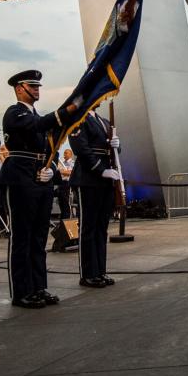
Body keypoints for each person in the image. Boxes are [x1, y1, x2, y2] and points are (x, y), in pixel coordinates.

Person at [0, 70, 78, 309]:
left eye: (38, 86)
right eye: (32, 86)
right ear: (19, 88)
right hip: (20, 176)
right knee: (22, 237)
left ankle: (39, 287)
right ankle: (22, 292)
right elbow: (39, 125)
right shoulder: (15, 113)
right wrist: (65, 113)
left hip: (40, 179)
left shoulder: (38, 116)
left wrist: (52, 168)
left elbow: (49, 148)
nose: (36, 90)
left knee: (38, 236)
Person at [69, 110, 121, 288]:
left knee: (101, 228)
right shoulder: (78, 119)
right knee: (88, 228)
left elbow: (113, 151)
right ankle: (88, 274)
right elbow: (81, 149)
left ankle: (100, 271)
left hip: (106, 180)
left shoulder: (104, 121)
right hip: (88, 178)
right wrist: (101, 169)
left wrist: (116, 145)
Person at [56, 148, 74, 220]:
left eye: (66, 153)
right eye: (64, 153)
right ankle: (62, 220)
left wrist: (61, 171)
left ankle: (67, 220)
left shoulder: (72, 162)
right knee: (61, 203)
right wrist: (62, 171)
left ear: (71, 154)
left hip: (67, 184)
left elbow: (69, 173)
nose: (64, 155)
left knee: (66, 203)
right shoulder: (62, 162)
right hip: (61, 183)